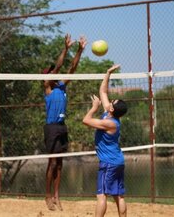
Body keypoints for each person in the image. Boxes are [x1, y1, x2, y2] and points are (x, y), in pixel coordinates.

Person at [43, 33, 87, 211]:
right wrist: (66, 48)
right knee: (52, 163)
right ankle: (47, 196)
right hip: (51, 127)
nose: (54, 72)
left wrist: (79, 50)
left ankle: (56, 195)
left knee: (60, 164)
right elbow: (60, 66)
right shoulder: (47, 86)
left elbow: (72, 68)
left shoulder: (61, 85)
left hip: (62, 127)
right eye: (51, 72)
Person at [82, 64, 128, 217]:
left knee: (102, 195)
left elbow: (86, 120)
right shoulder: (109, 114)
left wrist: (94, 107)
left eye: (112, 102)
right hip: (117, 161)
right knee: (118, 195)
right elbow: (103, 91)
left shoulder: (109, 123)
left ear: (112, 109)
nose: (110, 101)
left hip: (109, 163)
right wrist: (108, 73)